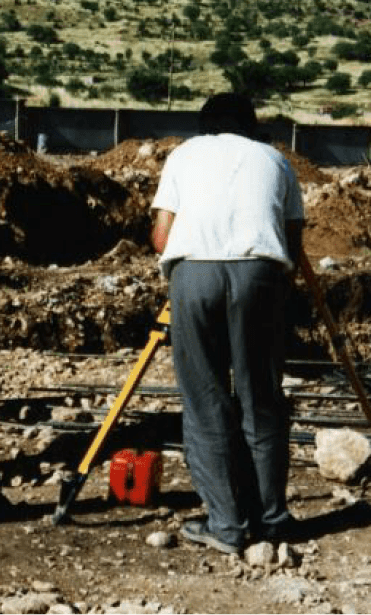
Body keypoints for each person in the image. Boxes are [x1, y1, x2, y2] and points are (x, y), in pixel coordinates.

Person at [150, 93, 305, 554]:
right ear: (251, 126)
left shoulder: (183, 155)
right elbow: (292, 241)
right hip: (259, 276)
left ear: (205, 127)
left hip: (194, 273)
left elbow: (161, 237)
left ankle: (228, 525)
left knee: (205, 400)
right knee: (261, 398)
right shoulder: (276, 160)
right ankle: (272, 519)